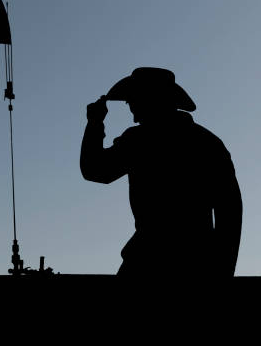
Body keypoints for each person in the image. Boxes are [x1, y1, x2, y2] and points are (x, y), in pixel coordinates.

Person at [80, 67, 242, 279]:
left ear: (150, 99)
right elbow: (230, 210)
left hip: (148, 261)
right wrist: (223, 270)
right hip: (198, 263)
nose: (132, 110)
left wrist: (94, 123)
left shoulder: (139, 141)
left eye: (133, 100)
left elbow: (95, 170)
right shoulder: (209, 143)